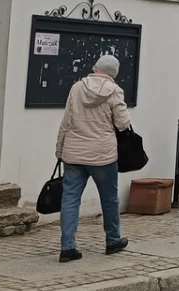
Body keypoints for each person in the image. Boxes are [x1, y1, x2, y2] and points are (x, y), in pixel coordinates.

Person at [55, 55, 132, 263]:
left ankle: (67, 247)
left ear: (95, 67)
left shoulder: (77, 88)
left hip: (74, 152)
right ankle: (113, 240)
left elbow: (66, 121)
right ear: (114, 74)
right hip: (103, 155)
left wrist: (59, 149)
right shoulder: (115, 91)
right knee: (109, 198)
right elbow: (123, 124)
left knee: (70, 198)